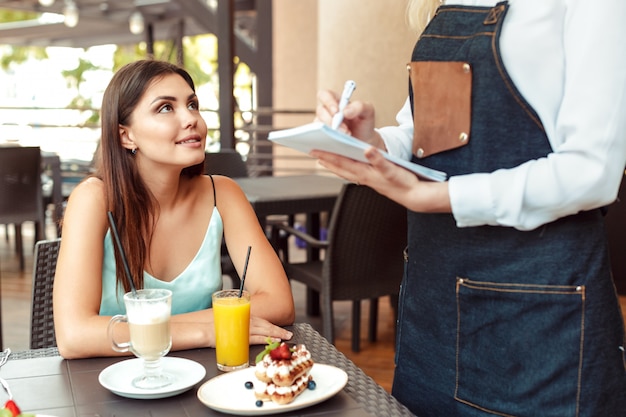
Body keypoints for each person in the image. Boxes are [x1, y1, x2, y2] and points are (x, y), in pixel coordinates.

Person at [314, 0, 626, 416]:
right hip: (433, 311)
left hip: (539, 318)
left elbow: (592, 172)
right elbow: (429, 133)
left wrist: (443, 197)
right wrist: (377, 145)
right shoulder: (444, 3)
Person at [53, 59, 295, 359]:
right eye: (165, 108)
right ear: (126, 135)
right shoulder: (94, 199)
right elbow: (74, 336)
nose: (190, 118)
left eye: (192, 104)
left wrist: (145, 329)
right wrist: (206, 330)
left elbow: (280, 304)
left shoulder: (224, 193)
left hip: (208, 376)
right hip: (114, 384)